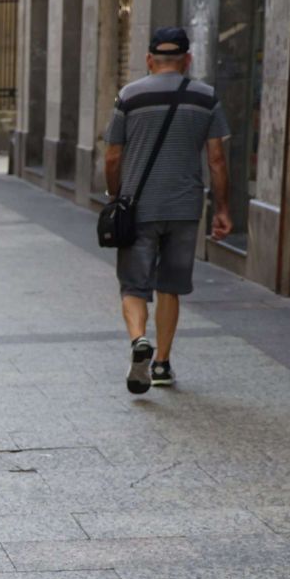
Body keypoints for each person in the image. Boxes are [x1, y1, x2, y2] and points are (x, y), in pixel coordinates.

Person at [102, 26, 232, 395]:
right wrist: (222, 208)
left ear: (149, 60)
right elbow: (217, 159)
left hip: (138, 206)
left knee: (134, 285)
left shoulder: (129, 96)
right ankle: (161, 364)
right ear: (187, 60)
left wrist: (115, 194)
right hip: (184, 207)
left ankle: (138, 340)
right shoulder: (206, 97)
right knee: (170, 286)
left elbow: (112, 155)